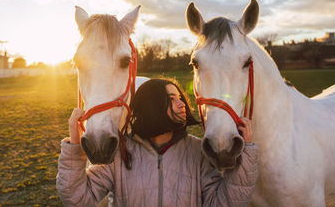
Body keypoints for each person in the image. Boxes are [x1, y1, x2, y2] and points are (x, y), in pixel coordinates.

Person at [57, 78, 258, 207]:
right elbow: (76, 199)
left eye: (180, 97)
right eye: (172, 99)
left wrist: (246, 152)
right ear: (152, 106)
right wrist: (75, 147)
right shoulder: (121, 152)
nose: (182, 104)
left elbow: (225, 203)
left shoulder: (196, 151)